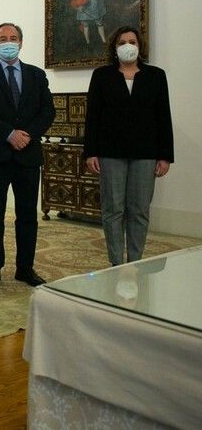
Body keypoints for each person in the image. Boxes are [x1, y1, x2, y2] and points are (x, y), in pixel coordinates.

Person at [0, 23, 56, 289]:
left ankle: (25, 268)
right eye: (3, 38)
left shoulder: (36, 75)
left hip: (27, 155)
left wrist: (27, 134)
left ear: (21, 42)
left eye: (14, 38)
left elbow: (48, 111)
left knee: (27, 215)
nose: (9, 42)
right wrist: (9, 134)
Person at [83, 25, 173, 266]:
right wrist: (91, 152)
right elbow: (93, 117)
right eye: (122, 42)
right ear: (114, 48)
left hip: (146, 153)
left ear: (140, 46)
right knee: (113, 210)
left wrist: (165, 156)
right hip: (110, 153)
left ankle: (135, 262)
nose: (127, 46)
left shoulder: (156, 76)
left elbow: (163, 116)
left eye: (132, 42)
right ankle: (116, 264)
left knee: (139, 210)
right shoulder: (102, 75)